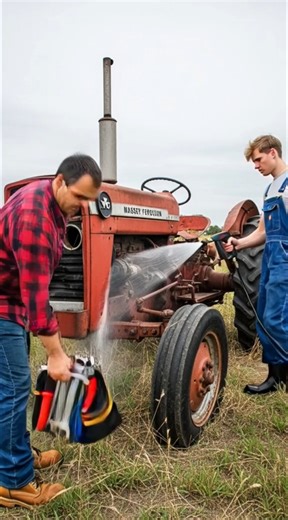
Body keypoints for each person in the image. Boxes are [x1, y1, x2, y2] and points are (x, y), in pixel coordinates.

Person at [0, 154, 102, 509]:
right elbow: (35, 294)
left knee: (11, 386)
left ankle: (18, 455)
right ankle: (14, 483)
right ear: (60, 181)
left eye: (90, 199)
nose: (84, 207)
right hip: (3, 306)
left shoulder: (47, 199)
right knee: (13, 390)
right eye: (80, 197)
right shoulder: (35, 218)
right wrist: (56, 353)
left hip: (12, 304)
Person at [225, 135, 288, 395]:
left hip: (285, 255)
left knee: (277, 318)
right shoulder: (269, 189)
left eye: (258, 159)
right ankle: (276, 378)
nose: (256, 166)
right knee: (264, 316)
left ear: (273, 153)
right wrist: (239, 244)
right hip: (271, 255)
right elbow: (263, 231)